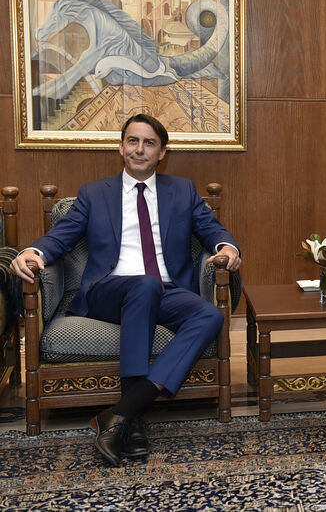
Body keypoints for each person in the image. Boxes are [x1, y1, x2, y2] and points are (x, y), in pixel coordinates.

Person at [11, 114, 242, 466]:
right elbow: (62, 236)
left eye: (149, 143)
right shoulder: (93, 193)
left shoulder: (182, 191)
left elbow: (213, 230)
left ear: (162, 152)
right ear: (121, 147)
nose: (139, 149)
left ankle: (123, 414)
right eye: (133, 141)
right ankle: (130, 418)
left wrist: (228, 248)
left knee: (209, 315)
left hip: (166, 289)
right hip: (108, 290)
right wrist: (34, 251)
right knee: (143, 285)